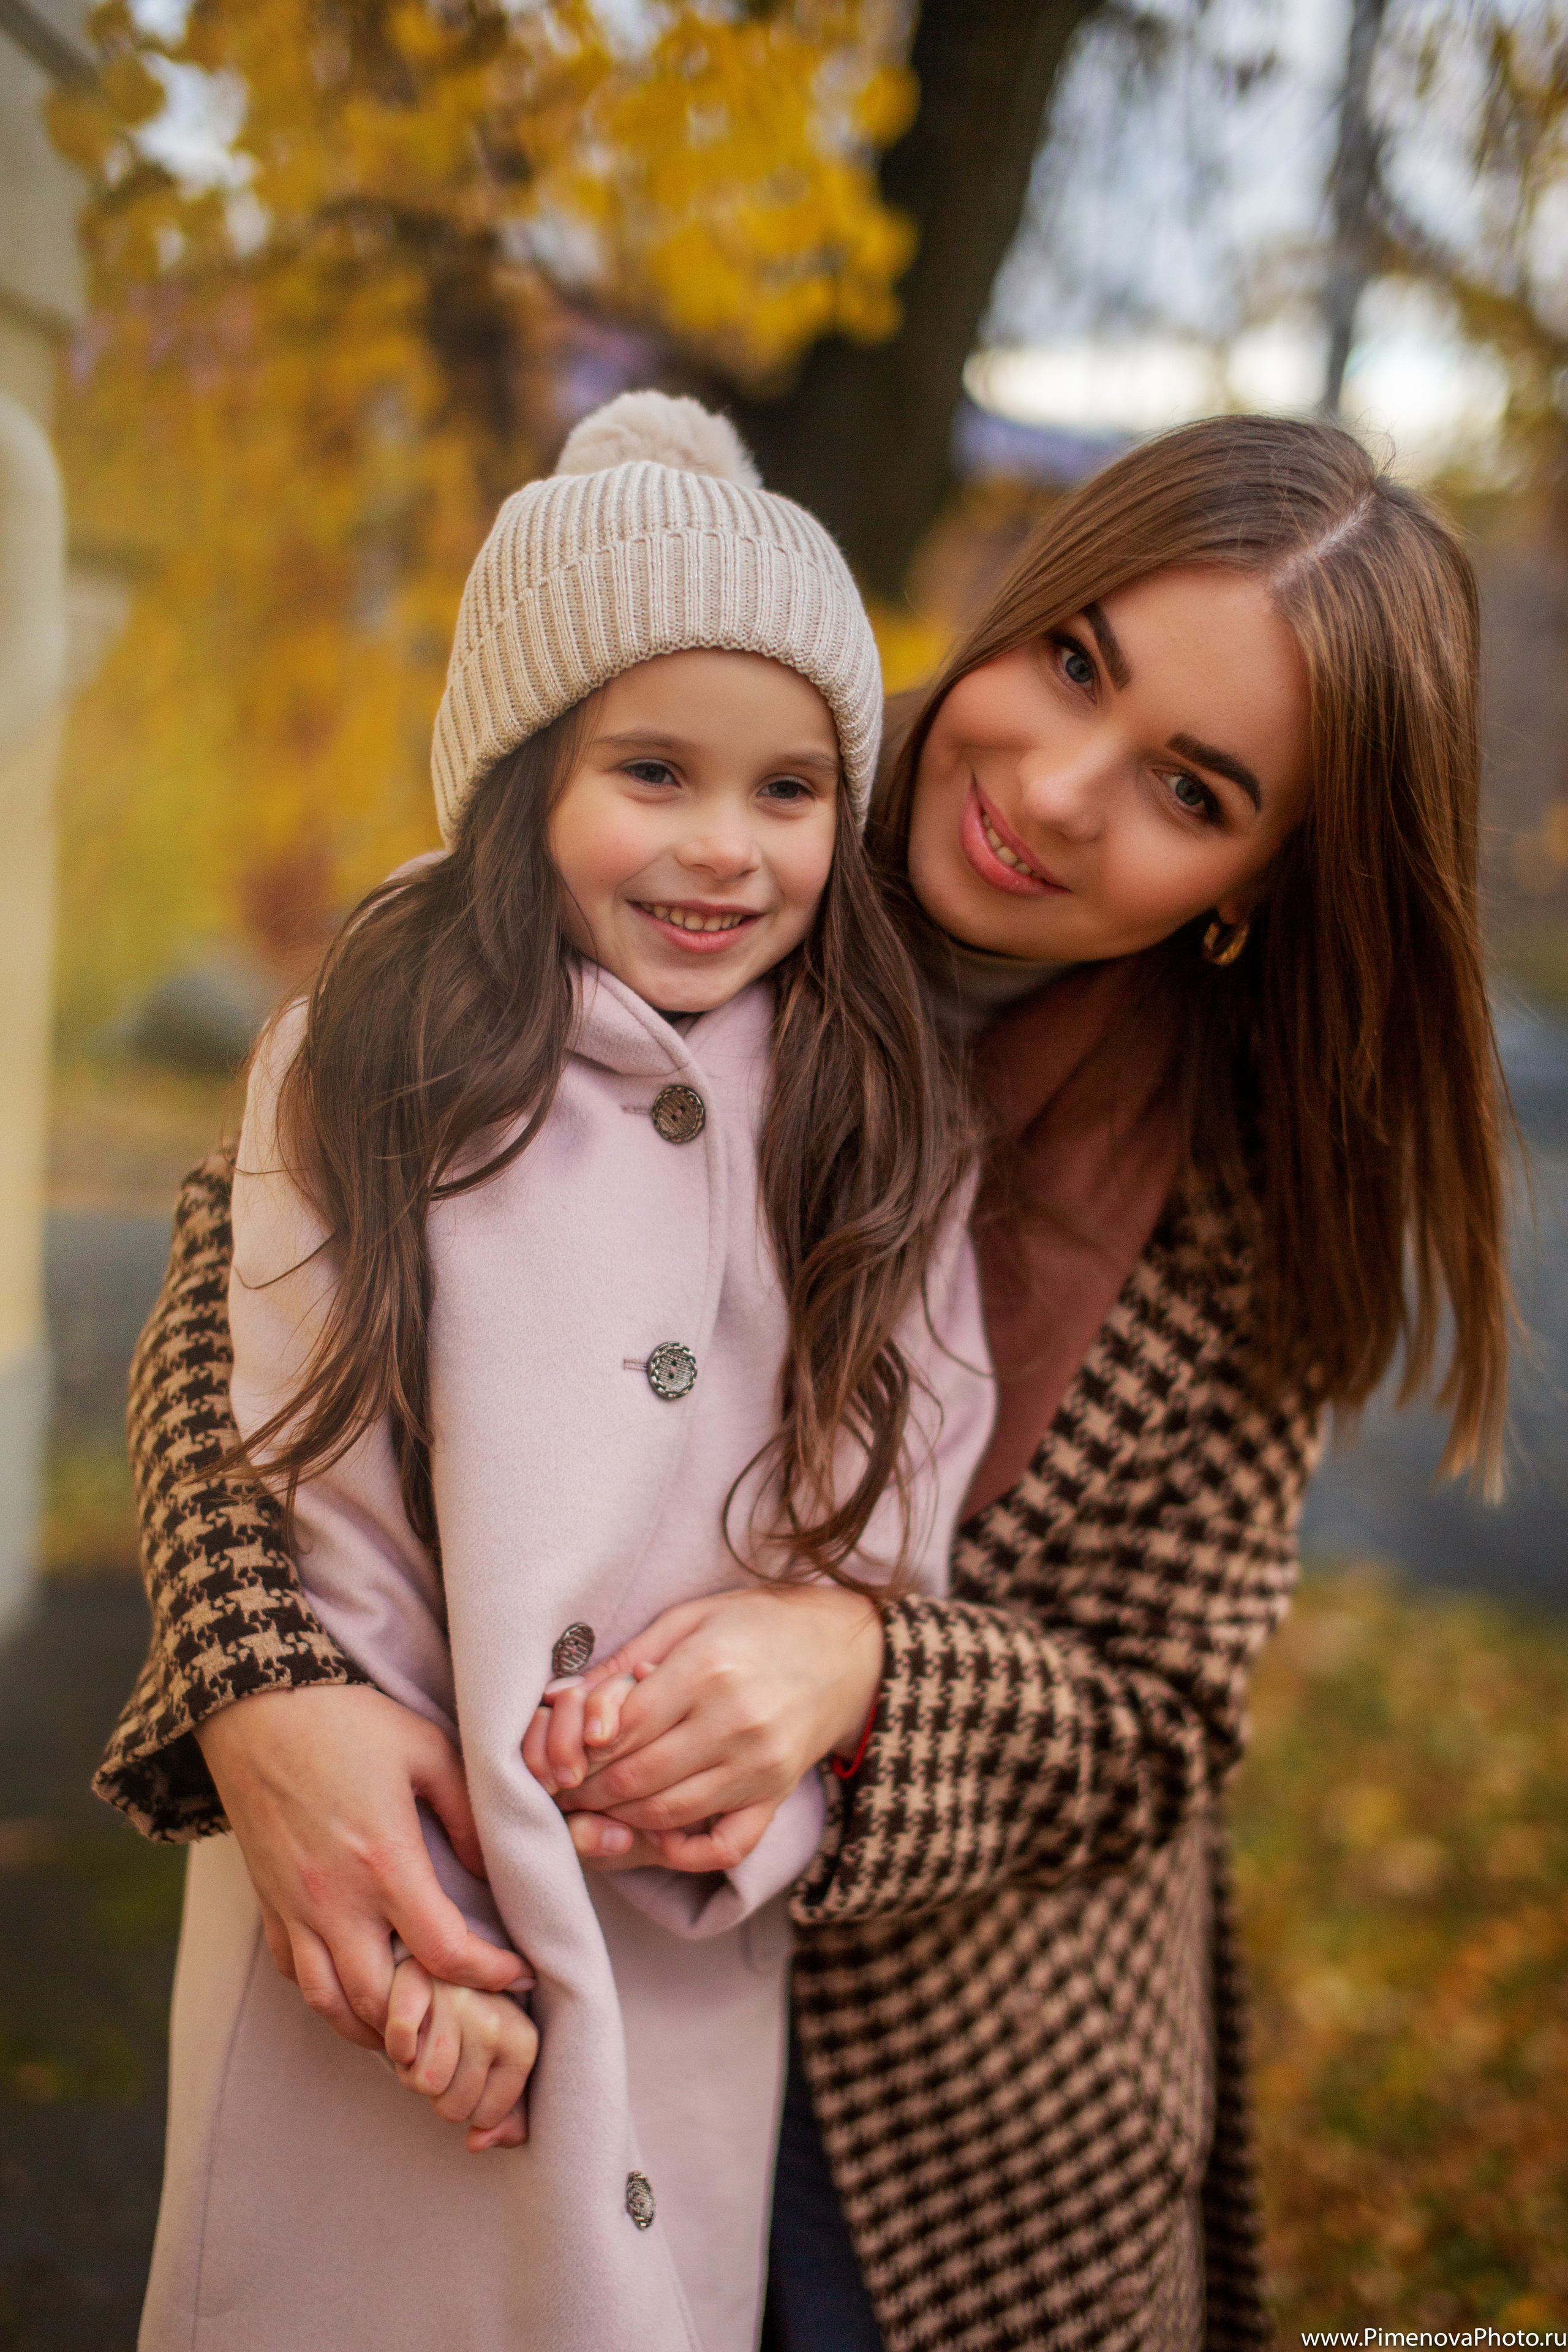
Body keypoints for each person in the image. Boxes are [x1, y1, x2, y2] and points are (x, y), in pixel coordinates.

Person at [101, 414, 1510, 2352]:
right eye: (1076, 661)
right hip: (506, 1965)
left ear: (1256, 876)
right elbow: (253, 1250)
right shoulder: (718, 785)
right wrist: (269, 1677)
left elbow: (1164, 1714)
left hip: (953, 2124)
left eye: (1193, 785)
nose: (1060, 785)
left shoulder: (1240, 1193)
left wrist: (864, 1675)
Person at [129, 390, 993, 2352]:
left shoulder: (876, 1107)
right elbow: (302, 1466)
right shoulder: (375, 1043)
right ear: (523, 779)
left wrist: (748, 1795)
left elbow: (902, 1512)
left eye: (789, 791)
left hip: (682, 1947)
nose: (723, 848)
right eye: (655, 771)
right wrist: (423, 1925)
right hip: (382, 1955)